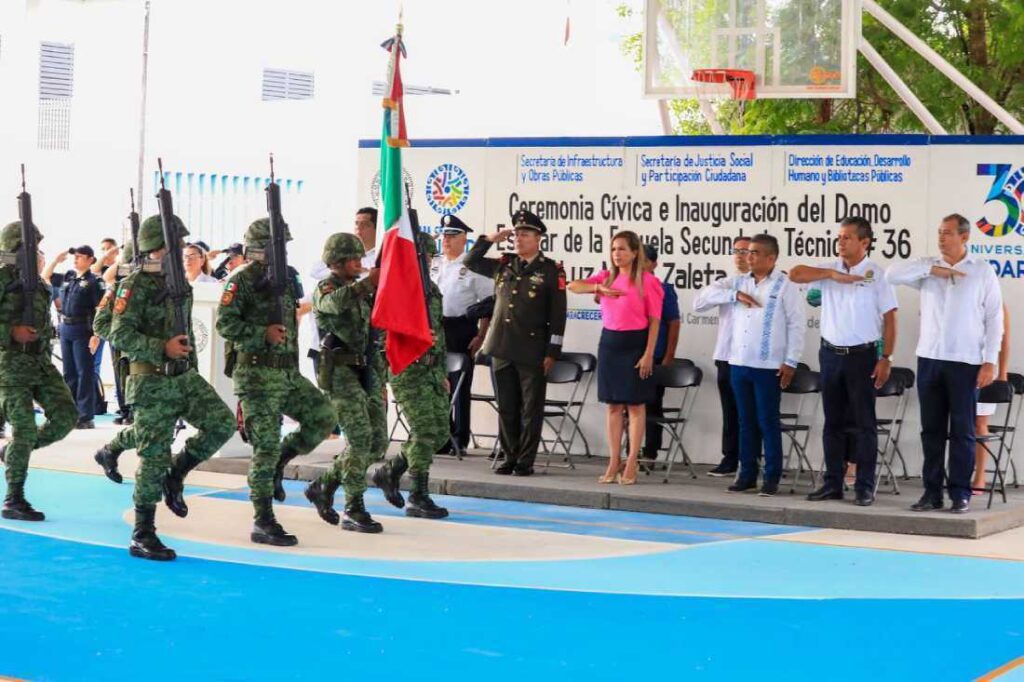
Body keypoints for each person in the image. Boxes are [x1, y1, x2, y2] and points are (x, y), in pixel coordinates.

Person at [109, 214, 235, 561]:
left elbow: (188, 336)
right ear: (156, 248)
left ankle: (176, 474)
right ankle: (143, 532)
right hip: (150, 378)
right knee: (153, 456)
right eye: (175, 245)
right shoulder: (135, 284)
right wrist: (159, 347)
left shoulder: (181, 287)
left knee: (222, 424)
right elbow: (118, 333)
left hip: (182, 376)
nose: (181, 250)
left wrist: (189, 368)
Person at [216, 219, 335, 546]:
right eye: (276, 244)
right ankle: (263, 519)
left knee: (323, 416)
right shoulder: (240, 280)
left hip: (286, 373)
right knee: (264, 447)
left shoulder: (287, 277)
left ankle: (283, 459)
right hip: (256, 374)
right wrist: (261, 334)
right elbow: (224, 324)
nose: (282, 250)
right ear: (259, 247)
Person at [887, 214, 1004, 514]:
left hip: (965, 362)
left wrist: (990, 361)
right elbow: (891, 274)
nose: (941, 238)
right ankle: (931, 493)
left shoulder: (982, 271)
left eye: (948, 233)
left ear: (964, 237)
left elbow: (995, 319)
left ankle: (960, 493)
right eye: (939, 232)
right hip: (929, 359)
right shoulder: (927, 267)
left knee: (963, 430)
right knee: (932, 430)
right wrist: (930, 269)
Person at [789, 217, 899, 507]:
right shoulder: (829, 268)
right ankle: (832, 484)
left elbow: (890, 319)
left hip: (862, 356)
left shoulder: (877, 274)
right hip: (830, 354)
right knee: (832, 423)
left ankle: (864, 486)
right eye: (839, 237)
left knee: (864, 424)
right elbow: (795, 274)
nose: (841, 242)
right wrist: (832, 275)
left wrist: (886, 357)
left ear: (865, 242)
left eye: (848, 237)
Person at [464, 209, 567, 476]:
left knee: (530, 409)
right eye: (517, 234)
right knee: (507, 407)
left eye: (525, 234)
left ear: (538, 238)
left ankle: (525, 460)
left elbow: (557, 317)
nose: (519, 239)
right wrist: (490, 238)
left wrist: (552, 352)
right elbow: (470, 261)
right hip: (501, 347)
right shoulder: (504, 264)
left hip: (532, 350)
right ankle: (509, 456)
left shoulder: (550, 270)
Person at [706, 233, 804, 496]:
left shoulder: (785, 285)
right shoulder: (738, 282)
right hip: (738, 362)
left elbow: (796, 325)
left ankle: (771, 477)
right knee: (745, 421)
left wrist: (791, 361)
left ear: (771, 258)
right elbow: (701, 300)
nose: (748, 257)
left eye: (755, 253)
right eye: (747, 252)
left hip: (769, 365)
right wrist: (734, 294)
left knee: (767, 421)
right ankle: (746, 474)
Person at [304, 233, 389, 533]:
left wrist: (380, 378)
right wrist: (367, 283)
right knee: (360, 438)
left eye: (360, 258)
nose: (360, 264)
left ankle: (323, 485)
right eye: (353, 259)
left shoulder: (361, 291)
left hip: (365, 370)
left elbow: (372, 336)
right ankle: (354, 507)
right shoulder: (327, 287)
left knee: (378, 441)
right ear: (337, 262)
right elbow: (332, 305)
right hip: (338, 372)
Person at [568, 231, 662, 485]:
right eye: (613, 249)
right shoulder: (607, 277)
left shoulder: (648, 281)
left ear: (634, 252)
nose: (617, 254)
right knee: (612, 405)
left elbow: (655, 321)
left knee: (634, 405)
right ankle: (613, 458)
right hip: (610, 343)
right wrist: (597, 288)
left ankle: (632, 460)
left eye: (622, 249)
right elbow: (572, 285)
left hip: (636, 343)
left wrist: (648, 354)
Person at [0, 221, 77, 521]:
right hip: (9, 366)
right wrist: (10, 332)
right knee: (24, 428)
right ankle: (13, 497)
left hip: (40, 364)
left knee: (67, 416)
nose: (33, 252)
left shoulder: (40, 285)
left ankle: (15, 453)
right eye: (27, 246)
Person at [374, 232, 451, 518]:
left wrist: (441, 371)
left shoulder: (430, 288)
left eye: (431, 255)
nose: (429, 260)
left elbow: (438, 334)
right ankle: (418, 495)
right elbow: (383, 331)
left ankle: (390, 472)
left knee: (441, 432)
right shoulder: (396, 289)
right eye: (424, 255)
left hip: (431, 369)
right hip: (407, 368)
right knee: (424, 430)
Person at [693, 235, 760, 478]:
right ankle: (730, 457)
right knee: (731, 411)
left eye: (746, 251)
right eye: (737, 251)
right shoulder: (726, 283)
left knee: (752, 411)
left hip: (754, 358)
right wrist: (734, 295)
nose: (741, 256)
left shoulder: (764, 284)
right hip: (726, 356)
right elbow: (698, 304)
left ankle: (752, 459)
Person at [430, 214, 493, 456]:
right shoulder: (434, 263)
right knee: (438, 383)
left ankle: (460, 436)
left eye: (452, 235)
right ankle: (442, 435)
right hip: (437, 328)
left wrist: (481, 335)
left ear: (464, 239)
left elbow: (488, 304)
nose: (446, 239)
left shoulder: (473, 267)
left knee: (460, 385)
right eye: (444, 234)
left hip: (462, 328)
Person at [93, 242, 144, 483]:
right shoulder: (120, 289)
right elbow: (101, 324)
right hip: (137, 363)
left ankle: (110, 450)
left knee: (155, 424)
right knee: (150, 423)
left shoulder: (171, 287)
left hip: (170, 366)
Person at [42, 244, 105, 429]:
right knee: (69, 373)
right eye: (74, 256)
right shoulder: (69, 277)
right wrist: (56, 260)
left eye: (80, 256)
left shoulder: (94, 282)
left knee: (84, 372)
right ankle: (71, 412)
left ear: (90, 259)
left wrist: (96, 334)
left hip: (83, 329)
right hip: (66, 328)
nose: (75, 259)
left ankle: (86, 416)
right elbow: (45, 276)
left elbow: (100, 309)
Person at [641, 244, 679, 462]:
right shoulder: (627, 287)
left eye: (645, 261)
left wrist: (668, 355)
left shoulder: (663, 289)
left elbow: (673, 323)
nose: (640, 265)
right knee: (630, 403)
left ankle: (650, 451)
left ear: (654, 264)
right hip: (632, 354)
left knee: (652, 404)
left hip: (655, 354)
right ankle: (631, 450)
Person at [974, 305, 1010, 493]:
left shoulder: (998, 305)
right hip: (962, 366)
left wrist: (1002, 374)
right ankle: (957, 473)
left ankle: (979, 477)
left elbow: (1004, 343)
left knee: (980, 423)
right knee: (959, 424)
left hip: (987, 370)